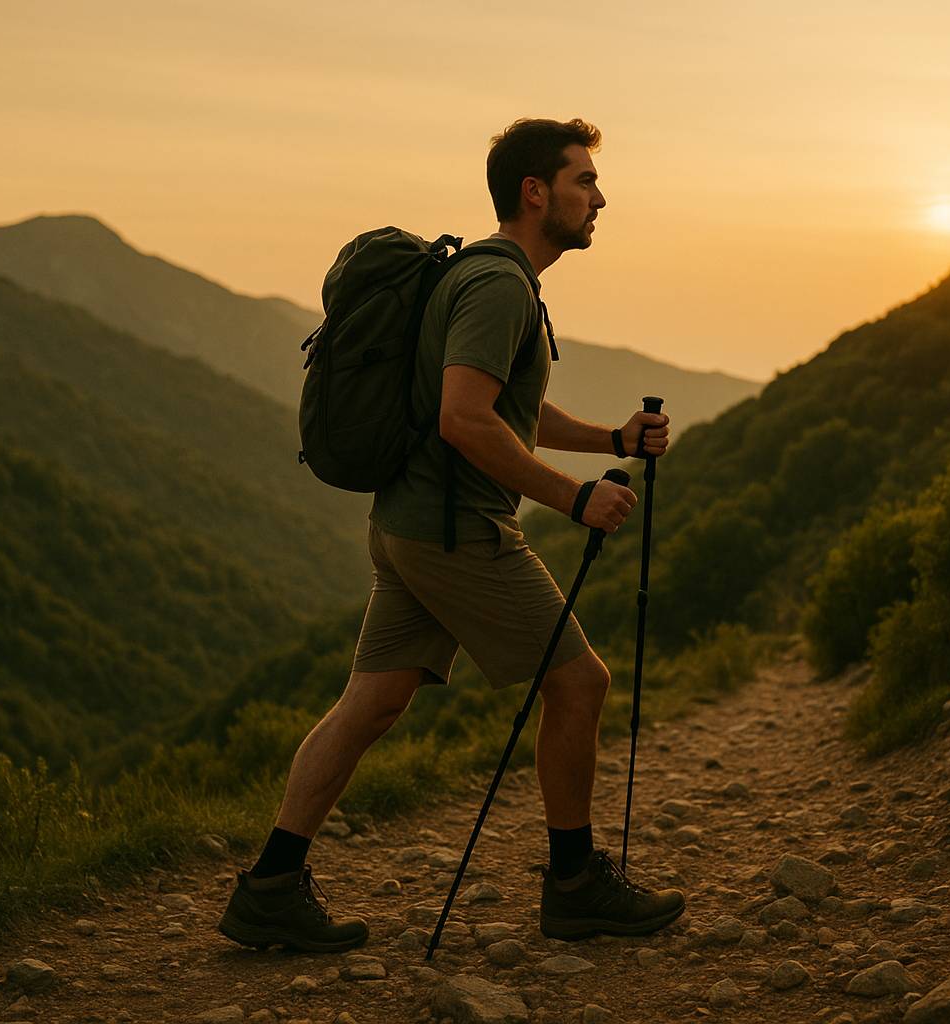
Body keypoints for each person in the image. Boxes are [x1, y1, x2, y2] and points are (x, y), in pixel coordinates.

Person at [218, 117, 681, 953]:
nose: (599, 198)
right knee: (580, 684)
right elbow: (466, 420)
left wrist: (612, 442)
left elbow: (511, 407)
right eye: (583, 181)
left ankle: (270, 888)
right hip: (456, 531)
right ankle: (575, 885)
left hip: (406, 524)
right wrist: (574, 500)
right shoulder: (501, 285)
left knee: (371, 702)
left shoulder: (487, 278)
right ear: (534, 193)